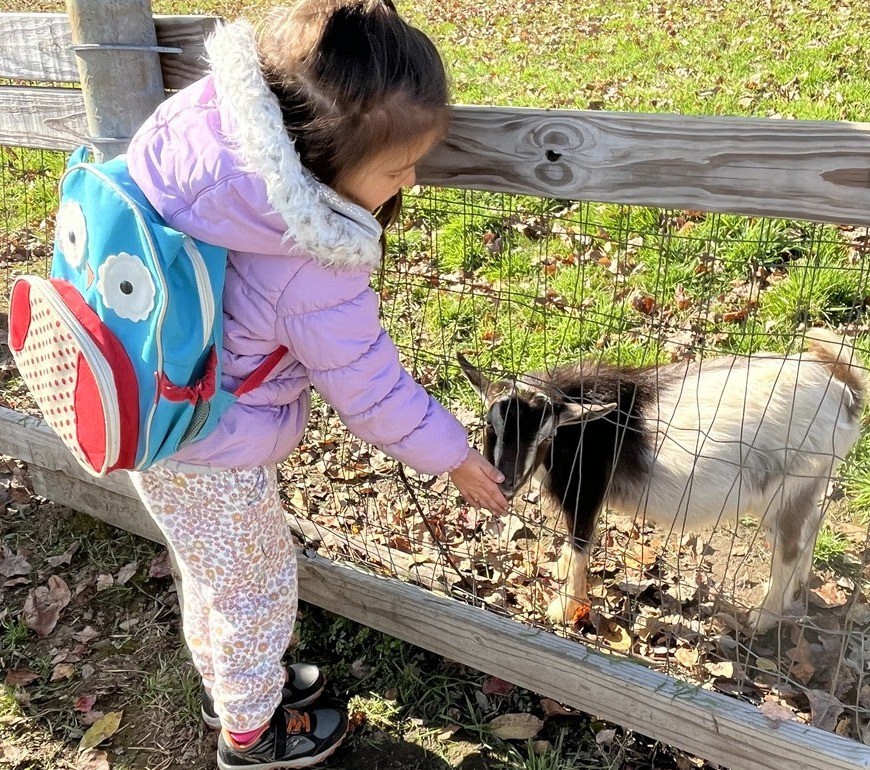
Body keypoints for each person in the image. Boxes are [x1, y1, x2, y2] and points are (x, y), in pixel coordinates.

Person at [123, 2, 509, 768]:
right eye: (400, 168)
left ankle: (236, 685)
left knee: (211, 571)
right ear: (322, 153)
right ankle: (252, 734)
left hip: (148, 408)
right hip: (210, 445)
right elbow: (372, 390)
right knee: (255, 591)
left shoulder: (203, 144)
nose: (411, 183)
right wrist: (456, 455)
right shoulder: (310, 263)